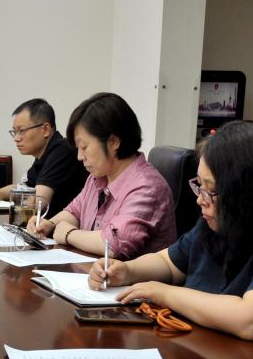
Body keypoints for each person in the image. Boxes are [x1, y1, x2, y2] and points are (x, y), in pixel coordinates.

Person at [89, 120, 253, 359]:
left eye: (211, 190)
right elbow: (169, 263)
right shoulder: (219, 220)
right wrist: (127, 271)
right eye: (200, 185)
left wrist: (163, 294)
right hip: (199, 356)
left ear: (249, 192)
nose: (200, 199)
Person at [32, 92, 176, 259]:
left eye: (84, 147)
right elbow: (75, 212)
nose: (79, 156)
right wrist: (49, 224)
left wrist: (68, 234)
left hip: (130, 276)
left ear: (113, 142)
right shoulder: (98, 177)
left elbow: (114, 245)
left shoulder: (147, 187)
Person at [0, 98, 86, 212]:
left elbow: (38, 203)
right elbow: (24, 188)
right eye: (15, 132)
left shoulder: (62, 150)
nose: (16, 138)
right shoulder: (44, 154)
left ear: (45, 129)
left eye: (22, 130)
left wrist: (11, 202)